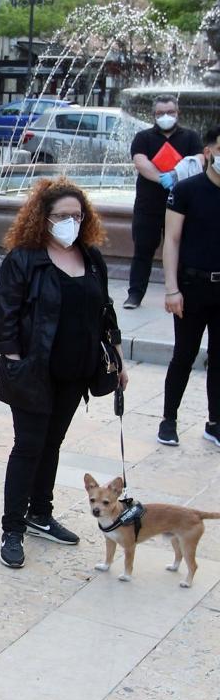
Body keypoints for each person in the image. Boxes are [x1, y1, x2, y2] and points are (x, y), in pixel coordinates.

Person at [0, 179, 125, 569]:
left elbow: (105, 312)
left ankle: (40, 513)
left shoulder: (90, 257)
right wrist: (16, 360)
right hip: (33, 372)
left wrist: (116, 358)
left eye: (77, 216)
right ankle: (12, 528)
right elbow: (4, 316)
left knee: (52, 444)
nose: (71, 222)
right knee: (28, 447)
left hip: (76, 371)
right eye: (63, 216)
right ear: (43, 218)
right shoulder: (24, 258)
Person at [159, 125, 220, 448]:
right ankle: (169, 419)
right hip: (191, 286)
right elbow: (171, 239)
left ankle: (215, 422)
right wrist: (171, 288)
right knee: (184, 354)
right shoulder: (187, 190)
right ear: (209, 152)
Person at [125, 95, 203, 309]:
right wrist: (162, 179)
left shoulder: (190, 137)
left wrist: (176, 176)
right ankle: (135, 295)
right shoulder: (143, 137)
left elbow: (199, 160)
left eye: (170, 112)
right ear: (154, 115)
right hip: (148, 206)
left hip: (181, 207)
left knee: (184, 252)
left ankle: (182, 294)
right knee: (142, 251)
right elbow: (140, 162)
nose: (165, 116)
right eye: (160, 113)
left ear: (178, 113)